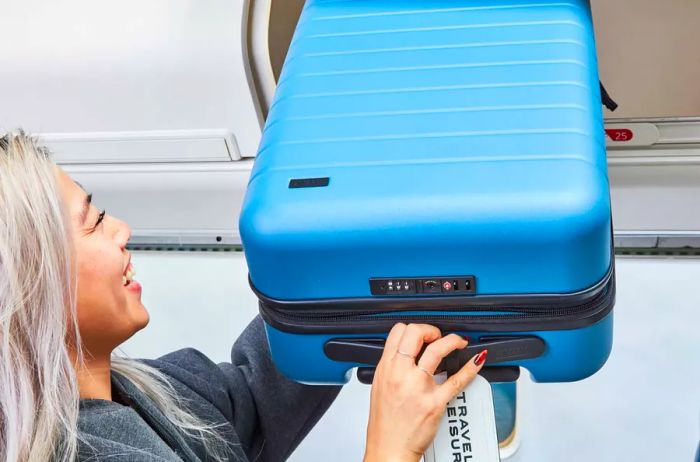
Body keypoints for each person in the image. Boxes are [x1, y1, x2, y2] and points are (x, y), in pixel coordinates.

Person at [0, 132, 486, 461]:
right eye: (95, 221)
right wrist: (390, 445)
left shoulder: (152, 390)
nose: (122, 230)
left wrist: (348, 252)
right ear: (32, 285)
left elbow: (259, 389)